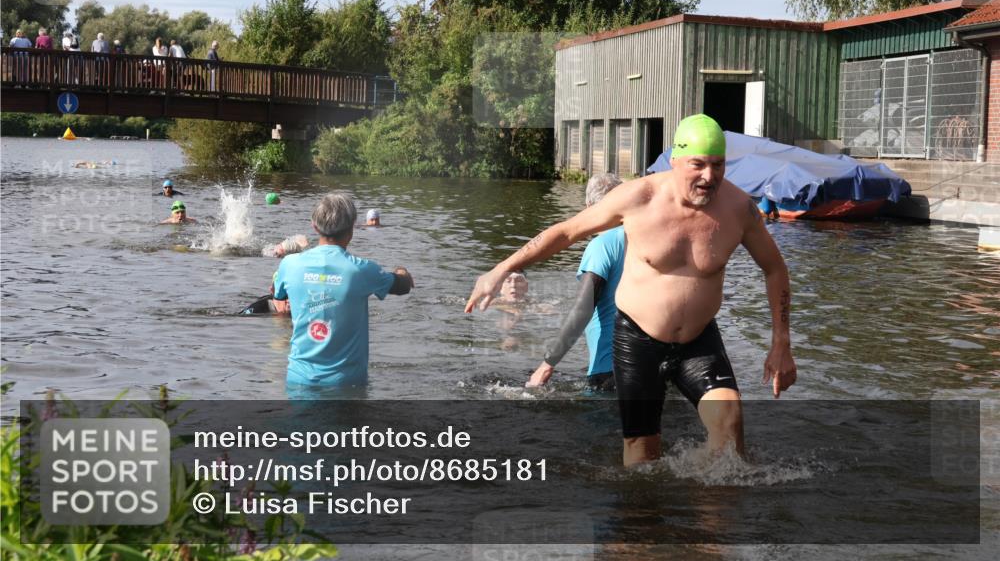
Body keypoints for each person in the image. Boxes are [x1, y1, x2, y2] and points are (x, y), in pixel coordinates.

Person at [466, 114, 796, 466]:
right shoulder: (639, 198)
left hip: (699, 340)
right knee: (642, 456)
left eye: (718, 165)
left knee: (730, 425)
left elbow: (774, 269)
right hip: (638, 341)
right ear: (675, 161)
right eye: (698, 165)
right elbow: (565, 232)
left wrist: (781, 343)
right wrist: (503, 268)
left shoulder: (739, 210)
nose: (709, 177)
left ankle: (712, 513)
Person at [272, 193, 414, 388]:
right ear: (352, 228)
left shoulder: (289, 264)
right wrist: (401, 271)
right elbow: (403, 286)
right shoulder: (363, 270)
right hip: (347, 384)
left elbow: (278, 298)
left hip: (298, 381)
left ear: (314, 226)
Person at [526, 173, 624, 392]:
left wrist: (547, 363)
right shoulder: (647, 239)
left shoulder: (602, 246)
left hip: (609, 369)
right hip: (649, 366)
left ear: (589, 207)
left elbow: (583, 309)